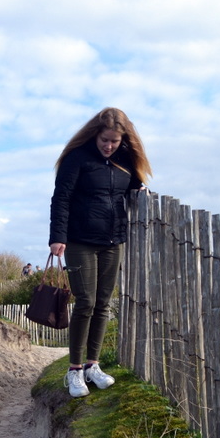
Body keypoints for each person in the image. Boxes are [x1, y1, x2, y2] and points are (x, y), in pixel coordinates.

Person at [49, 107, 152, 398]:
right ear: (96, 134)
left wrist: (141, 189)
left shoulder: (124, 162)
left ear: (123, 140)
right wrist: (57, 237)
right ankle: (74, 370)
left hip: (113, 241)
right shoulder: (77, 158)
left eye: (114, 141)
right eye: (105, 140)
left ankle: (93, 365)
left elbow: (132, 185)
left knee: (104, 303)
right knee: (86, 302)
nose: (108, 145)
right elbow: (61, 199)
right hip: (80, 240)